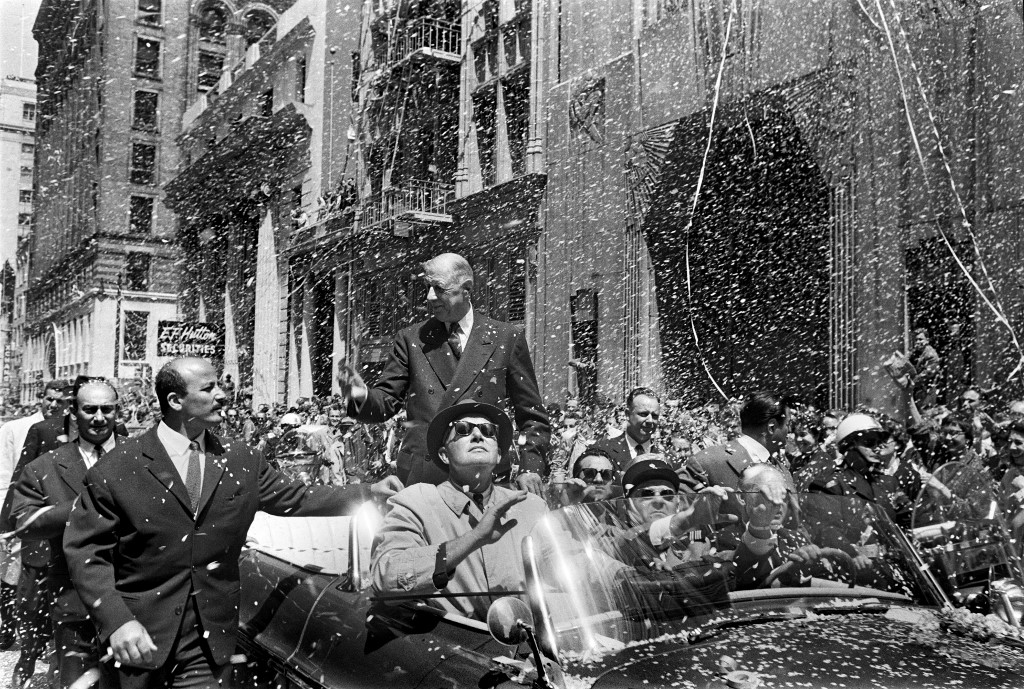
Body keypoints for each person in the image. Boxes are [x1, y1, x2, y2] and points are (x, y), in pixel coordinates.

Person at [62, 357, 402, 689]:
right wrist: (117, 621)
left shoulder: (242, 459)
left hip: (208, 643)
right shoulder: (118, 467)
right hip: (138, 640)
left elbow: (297, 498)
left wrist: (369, 492)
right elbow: (86, 553)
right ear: (175, 400)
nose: (222, 394)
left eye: (220, 385)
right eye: (209, 388)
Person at [343, 253, 550, 493]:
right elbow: (385, 402)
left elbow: (532, 415)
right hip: (424, 479)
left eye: (439, 288)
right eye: (427, 287)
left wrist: (531, 467)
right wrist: (359, 397)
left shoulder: (506, 338)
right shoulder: (411, 339)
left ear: (466, 289)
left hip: (485, 479)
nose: (430, 296)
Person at [371, 401, 548, 620]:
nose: (478, 435)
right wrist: (473, 538)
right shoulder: (415, 502)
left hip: (530, 639)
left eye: (488, 431)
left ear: (499, 455)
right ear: (444, 455)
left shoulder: (531, 507)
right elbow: (386, 578)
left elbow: (568, 580)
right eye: (462, 429)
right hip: (455, 640)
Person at [10, 379, 122, 689]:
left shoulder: (143, 458)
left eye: (107, 409)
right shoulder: (46, 466)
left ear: (118, 412)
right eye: (89, 410)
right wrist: (79, 506)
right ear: (73, 412)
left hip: (137, 602)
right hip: (75, 603)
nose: (99, 417)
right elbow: (24, 523)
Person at [0, 380, 67, 650]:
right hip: (17, 509)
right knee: (9, 572)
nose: (54, 405)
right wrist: (6, 518)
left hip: (46, 515)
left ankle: (40, 636)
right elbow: (6, 474)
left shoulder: (68, 431)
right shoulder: (16, 428)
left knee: (36, 576)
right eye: (50, 399)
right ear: (42, 398)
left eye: (60, 401)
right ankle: (7, 628)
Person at [806, 412, 914, 528]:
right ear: (848, 445)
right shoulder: (830, 485)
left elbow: (910, 522)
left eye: (878, 442)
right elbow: (827, 532)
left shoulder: (890, 483)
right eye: (870, 442)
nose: (877, 447)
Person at [587, 387, 661, 472]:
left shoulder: (665, 457)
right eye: (644, 414)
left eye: (654, 416)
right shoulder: (601, 450)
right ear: (627, 414)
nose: (650, 421)